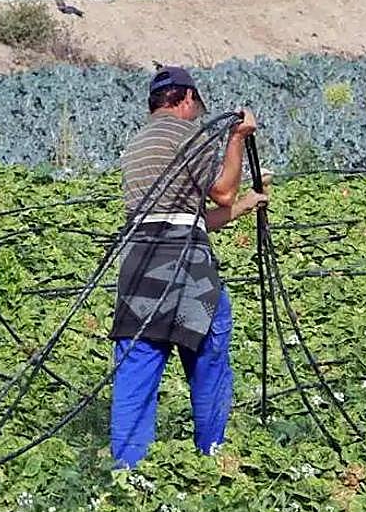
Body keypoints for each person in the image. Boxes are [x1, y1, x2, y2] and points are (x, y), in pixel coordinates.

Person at [108, 65, 265, 468]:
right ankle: (211, 455)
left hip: (140, 262)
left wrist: (244, 207)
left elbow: (183, 214)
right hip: (186, 268)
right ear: (187, 98)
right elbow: (224, 191)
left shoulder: (137, 145)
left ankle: (127, 470)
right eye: (197, 106)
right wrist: (236, 139)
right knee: (208, 354)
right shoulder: (187, 135)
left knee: (137, 361)